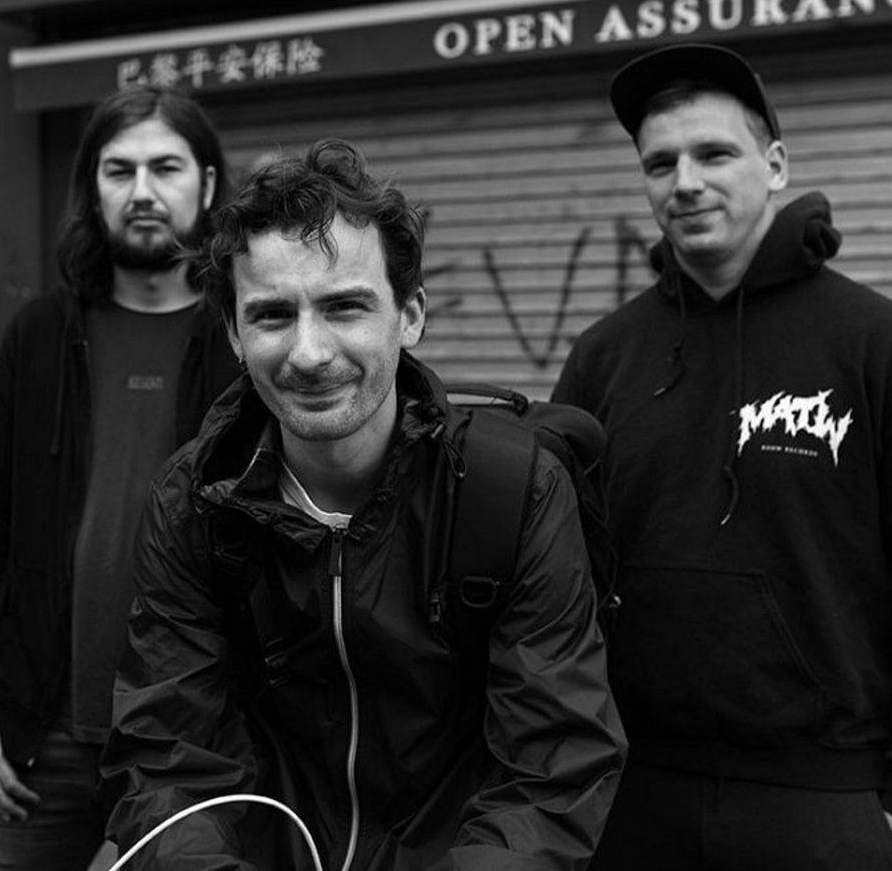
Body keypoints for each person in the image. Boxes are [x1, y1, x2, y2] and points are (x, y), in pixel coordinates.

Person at [102, 139, 626, 870]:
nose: (310, 353)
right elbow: (166, 754)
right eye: (272, 315)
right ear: (234, 335)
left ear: (410, 315)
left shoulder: (513, 491)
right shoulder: (195, 502)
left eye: (344, 306)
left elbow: (552, 767)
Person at [552, 43, 892, 871]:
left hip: (826, 796)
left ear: (776, 164)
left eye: (714, 153)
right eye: (660, 163)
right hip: (631, 792)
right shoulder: (603, 358)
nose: (685, 182)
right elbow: (557, 581)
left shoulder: (880, 347)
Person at [0, 86, 242, 869]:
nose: (142, 191)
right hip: (42, 731)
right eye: (119, 170)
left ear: (206, 185)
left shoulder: (246, 339)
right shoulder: (38, 335)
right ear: (93, 188)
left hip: (194, 735)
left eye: (165, 168)